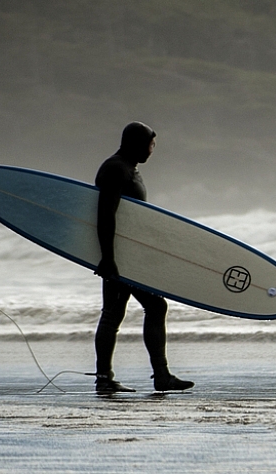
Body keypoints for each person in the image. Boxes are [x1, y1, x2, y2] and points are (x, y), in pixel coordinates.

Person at [93, 121, 192, 394]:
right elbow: (106, 214)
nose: (152, 150)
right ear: (136, 143)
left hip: (130, 256)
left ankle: (153, 375)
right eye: (150, 144)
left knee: (130, 311)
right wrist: (108, 258)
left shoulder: (128, 169)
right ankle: (110, 377)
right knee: (121, 313)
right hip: (119, 257)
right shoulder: (116, 169)